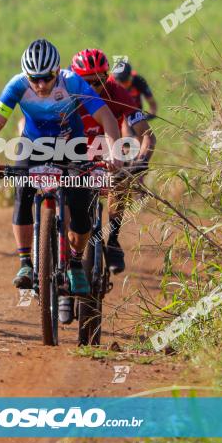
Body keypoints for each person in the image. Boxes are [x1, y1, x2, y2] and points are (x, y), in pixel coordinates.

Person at [0, 38, 122, 299]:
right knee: (22, 193)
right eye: (35, 79)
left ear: (57, 71)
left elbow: (106, 118)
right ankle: (25, 263)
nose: (41, 85)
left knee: (80, 206)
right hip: (33, 146)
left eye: (47, 77)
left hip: (72, 145)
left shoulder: (72, 82)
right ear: (26, 75)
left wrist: (113, 153)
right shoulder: (17, 85)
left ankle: (76, 262)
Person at [70, 49, 156, 274]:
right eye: (87, 82)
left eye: (99, 81)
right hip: (74, 150)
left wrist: (142, 160)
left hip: (108, 150)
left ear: (107, 75)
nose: (94, 87)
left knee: (120, 177)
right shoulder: (66, 92)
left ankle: (114, 240)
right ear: (74, 77)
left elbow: (147, 134)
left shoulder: (117, 92)